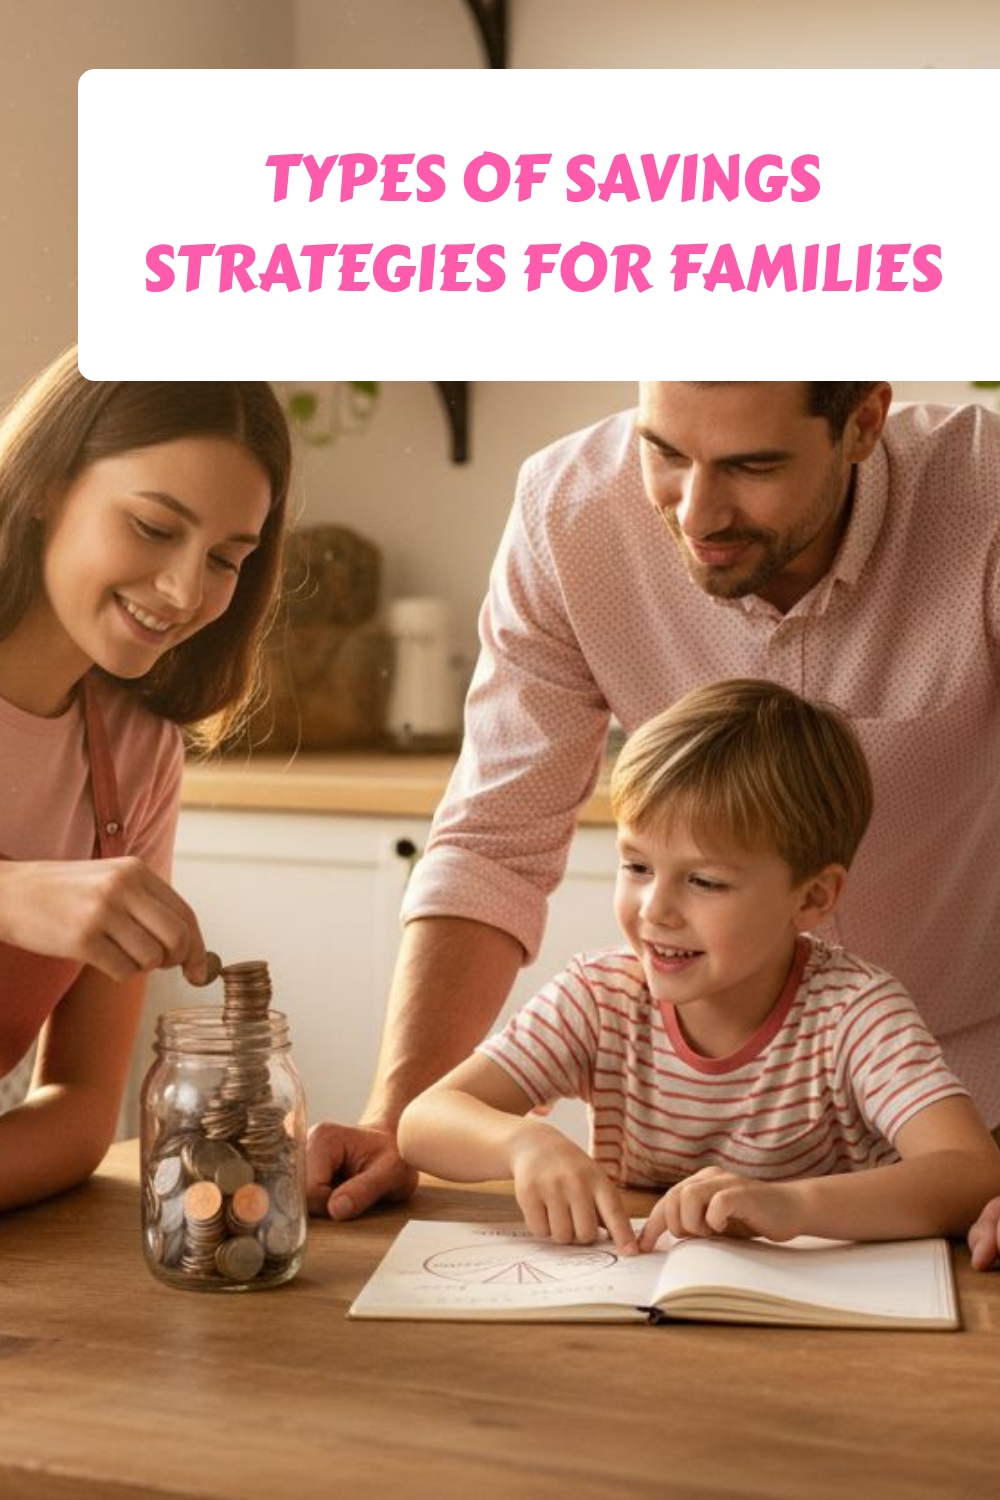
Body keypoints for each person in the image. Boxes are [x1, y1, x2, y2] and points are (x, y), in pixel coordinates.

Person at [306, 380, 1000, 1227]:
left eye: (753, 465)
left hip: (973, 1100)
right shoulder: (572, 516)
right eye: (664, 453)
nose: (699, 514)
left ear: (861, 424)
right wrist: (395, 1121)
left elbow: (958, 1168)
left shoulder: (982, 491)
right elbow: (494, 842)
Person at [398, 682, 1000, 1252]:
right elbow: (423, 1121)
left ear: (812, 898)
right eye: (636, 867)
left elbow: (969, 1174)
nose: (655, 909)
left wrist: (790, 1206)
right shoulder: (599, 997)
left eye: (705, 881)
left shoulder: (856, 1014)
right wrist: (522, 1143)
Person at [0, 347, 290, 1212]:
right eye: (156, 528)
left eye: (227, 559)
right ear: (49, 484)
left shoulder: (134, 754)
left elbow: (84, 1109)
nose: (182, 589)